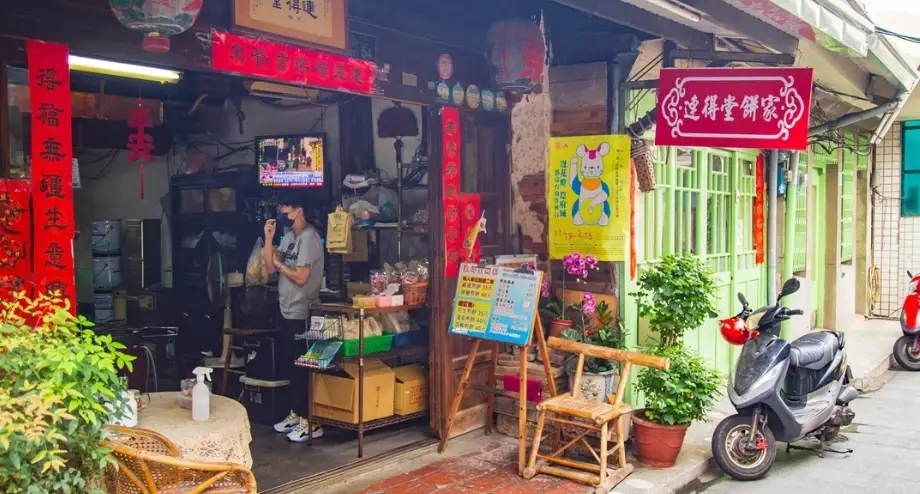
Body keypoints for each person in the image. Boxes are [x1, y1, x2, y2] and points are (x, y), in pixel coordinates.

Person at [262, 199, 325, 442]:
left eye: (286, 208)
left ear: (299, 210)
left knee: (303, 368)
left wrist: (280, 264)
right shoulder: (288, 237)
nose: (281, 212)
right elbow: (269, 268)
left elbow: (301, 277)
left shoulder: (309, 238)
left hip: (303, 311)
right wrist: (269, 239)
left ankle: (312, 422)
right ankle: (297, 415)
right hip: (286, 309)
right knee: (291, 365)